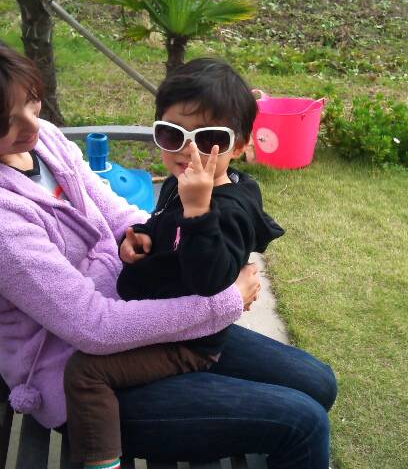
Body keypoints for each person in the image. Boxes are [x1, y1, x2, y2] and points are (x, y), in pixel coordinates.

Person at [0, 18, 338, 469]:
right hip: (85, 378)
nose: (32, 126)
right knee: (302, 422)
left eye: (30, 100)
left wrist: (144, 233)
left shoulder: (40, 140)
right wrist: (223, 302)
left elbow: (111, 210)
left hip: (139, 307)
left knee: (317, 383)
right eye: (2, 120)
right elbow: (92, 327)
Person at [64, 58, 285, 469]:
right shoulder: (177, 183)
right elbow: (166, 225)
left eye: (209, 138)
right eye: (172, 133)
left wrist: (198, 211)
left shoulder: (230, 209)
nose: (188, 150)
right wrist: (142, 236)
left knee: (84, 372)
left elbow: (210, 281)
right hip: (162, 315)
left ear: (239, 146)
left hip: (188, 340)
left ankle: (101, 462)